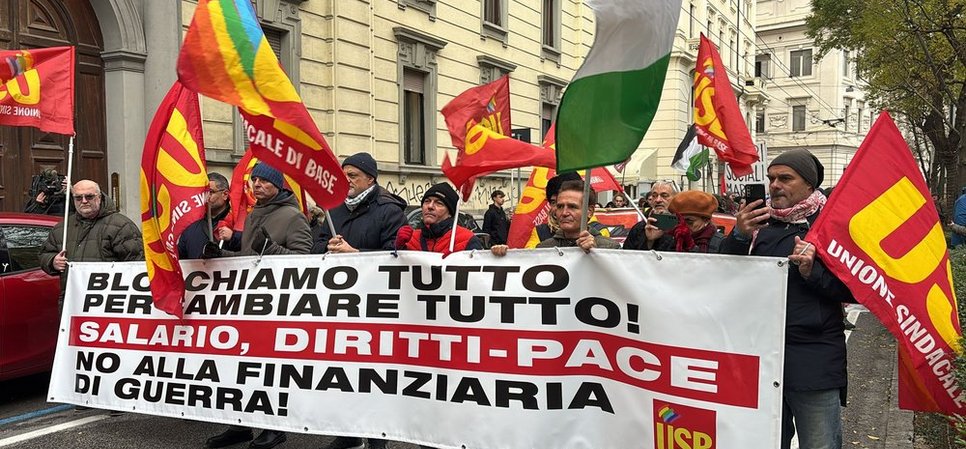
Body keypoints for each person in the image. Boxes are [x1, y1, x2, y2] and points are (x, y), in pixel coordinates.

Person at [719, 148, 854, 449]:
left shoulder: (831, 225)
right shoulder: (756, 222)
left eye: (785, 178)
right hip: (760, 356)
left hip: (814, 359)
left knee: (819, 444)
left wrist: (811, 271)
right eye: (771, 178)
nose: (775, 185)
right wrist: (739, 236)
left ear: (809, 184)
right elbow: (724, 275)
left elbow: (852, 290)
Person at [203, 162, 312, 449]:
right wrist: (222, 255)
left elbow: (305, 261)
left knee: (269, 369)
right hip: (249, 301)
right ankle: (240, 425)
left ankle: (273, 428)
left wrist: (270, 248)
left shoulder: (293, 216)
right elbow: (249, 257)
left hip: (278, 304)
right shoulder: (254, 215)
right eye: (255, 180)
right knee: (242, 367)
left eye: (264, 180)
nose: (258, 185)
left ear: (278, 185)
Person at [39, 180, 143, 306]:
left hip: (108, 303)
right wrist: (53, 261)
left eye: (89, 196)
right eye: (78, 198)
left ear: (99, 197)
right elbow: (45, 254)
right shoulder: (62, 228)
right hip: (73, 303)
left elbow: (137, 264)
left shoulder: (121, 226)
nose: (84, 201)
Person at [312, 152, 407, 255]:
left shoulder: (390, 211)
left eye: (352, 176)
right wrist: (328, 246)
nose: (346, 180)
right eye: (343, 175)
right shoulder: (334, 208)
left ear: (370, 179)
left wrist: (355, 253)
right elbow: (315, 248)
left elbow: (395, 254)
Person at [534, 180, 620, 252]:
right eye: (560, 206)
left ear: (589, 211)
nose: (564, 213)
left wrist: (596, 255)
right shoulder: (543, 249)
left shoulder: (610, 248)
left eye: (572, 207)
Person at [398, 183, 483, 254]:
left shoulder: (467, 239)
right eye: (427, 201)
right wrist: (398, 247)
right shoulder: (411, 239)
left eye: (439, 203)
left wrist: (453, 262)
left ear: (450, 213)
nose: (430, 206)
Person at [177, 172, 240, 259]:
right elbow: (180, 259)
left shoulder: (239, 223)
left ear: (225, 194)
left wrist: (233, 238)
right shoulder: (190, 225)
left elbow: (251, 256)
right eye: (203, 193)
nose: (206, 197)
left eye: (210, 192)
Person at [644, 190, 723, 253]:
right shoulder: (670, 239)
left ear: (706, 220)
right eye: (678, 221)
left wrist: (690, 245)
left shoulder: (720, 243)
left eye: (689, 221)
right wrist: (651, 241)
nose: (683, 226)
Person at [623, 181, 678, 250]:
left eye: (664, 196)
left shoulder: (685, 227)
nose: (658, 200)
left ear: (676, 198)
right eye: (654, 196)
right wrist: (650, 241)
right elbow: (625, 254)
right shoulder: (639, 228)